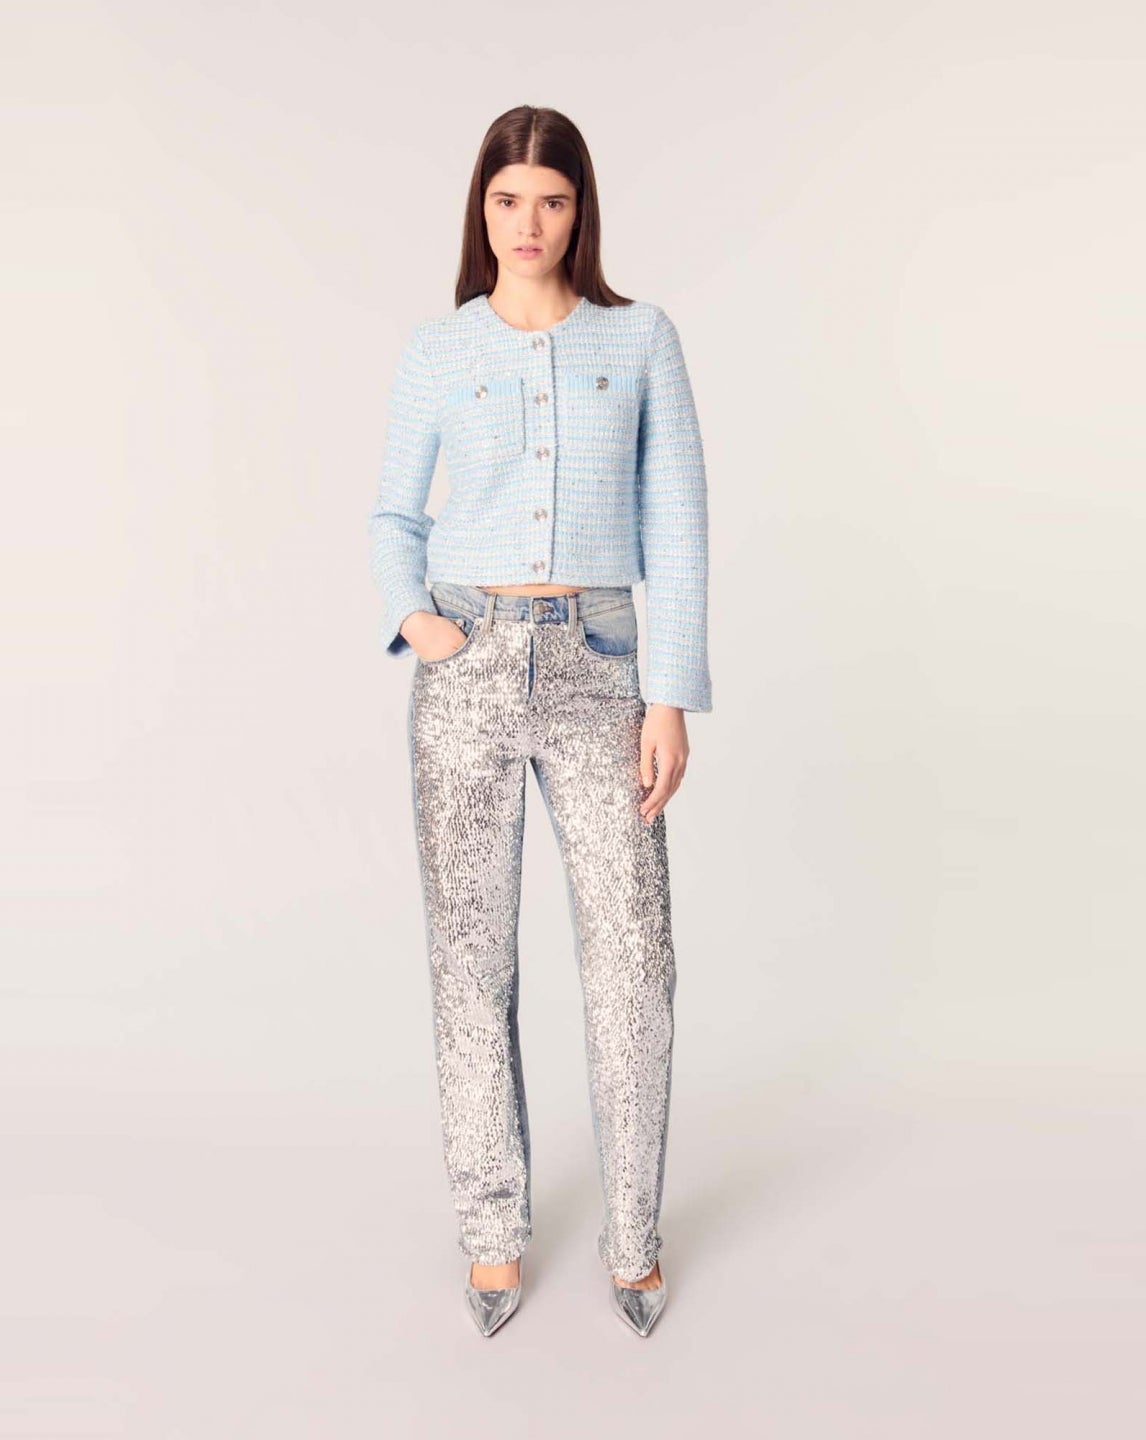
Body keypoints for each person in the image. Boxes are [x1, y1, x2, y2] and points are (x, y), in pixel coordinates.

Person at [366, 104, 712, 1339]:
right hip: (465, 667)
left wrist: (668, 694)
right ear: (482, 208)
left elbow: (676, 522)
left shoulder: (641, 338)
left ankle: (634, 1236)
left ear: (581, 210)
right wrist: (420, 624)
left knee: (634, 965)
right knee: (471, 963)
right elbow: (392, 516)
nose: (529, 223)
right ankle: (492, 1235)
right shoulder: (438, 351)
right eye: (508, 200)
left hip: (601, 667)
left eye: (552, 200)